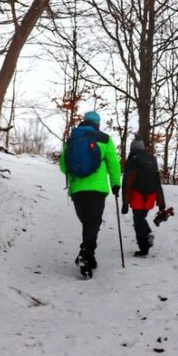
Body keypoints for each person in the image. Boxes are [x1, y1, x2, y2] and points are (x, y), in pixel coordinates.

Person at [59, 111, 121, 277]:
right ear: (97, 123)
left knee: (88, 223)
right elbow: (114, 164)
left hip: (77, 189)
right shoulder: (105, 139)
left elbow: (63, 166)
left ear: (84, 121)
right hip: (97, 189)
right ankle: (85, 255)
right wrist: (116, 184)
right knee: (92, 224)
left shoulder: (73, 138)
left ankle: (89, 257)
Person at [121, 136, 166, 257]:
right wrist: (161, 202)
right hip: (151, 196)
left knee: (138, 220)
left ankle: (146, 240)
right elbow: (157, 181)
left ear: (132, 148)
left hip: (138, 196)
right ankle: (145, 242)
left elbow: (127, 182)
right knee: (141, 219)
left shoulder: (132, 160)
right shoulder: (151, 159)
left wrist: (125, 203)